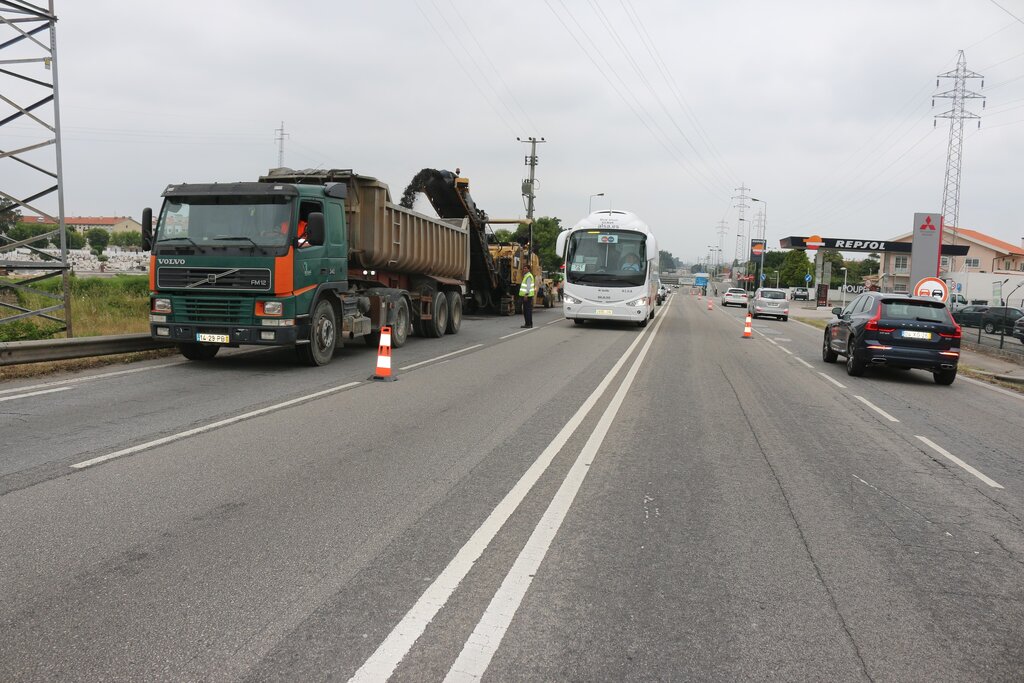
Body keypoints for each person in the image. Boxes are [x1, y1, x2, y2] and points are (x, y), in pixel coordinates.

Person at [519, 263, 535, 328]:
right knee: (526, 310)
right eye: (524, 268)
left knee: (527, 311)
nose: (524, 269)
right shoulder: (526, 276)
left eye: (526, 268)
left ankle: (528, 324)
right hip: (527, 296)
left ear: (529, 269)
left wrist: (526, 294)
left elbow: (528, 286)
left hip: (527, 296)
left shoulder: (528, 276)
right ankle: (528, 324)